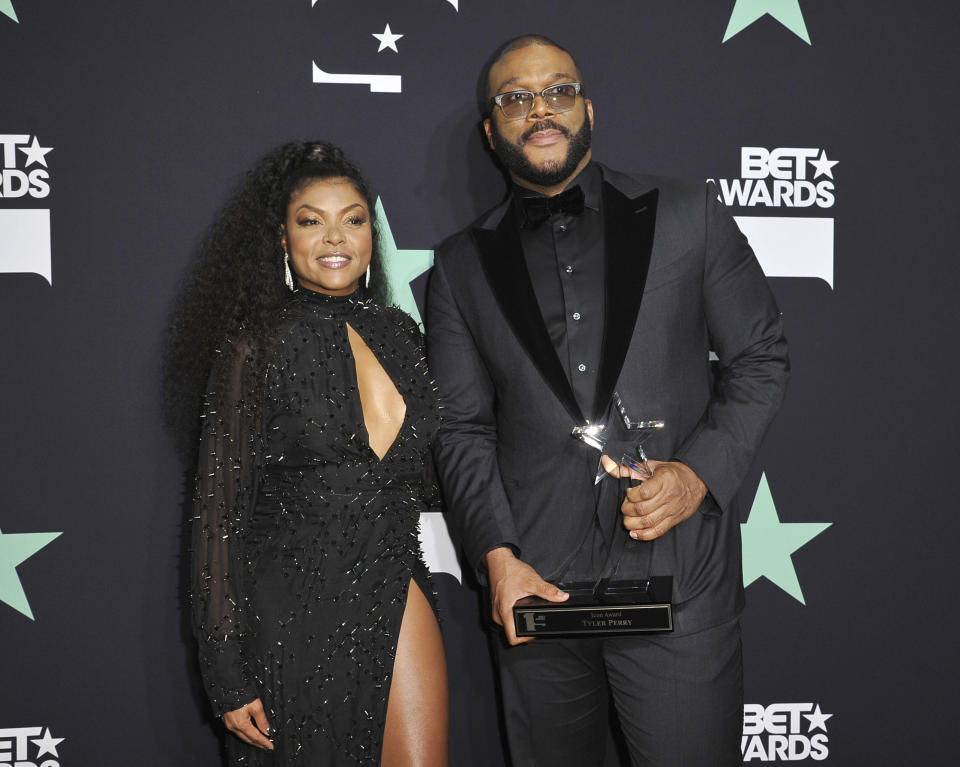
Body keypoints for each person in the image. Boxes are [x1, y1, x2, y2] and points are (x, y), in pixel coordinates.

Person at [426, 35, 789, 766]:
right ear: (490, 130)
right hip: (537, 597)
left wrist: (697, 476)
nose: (539, 110)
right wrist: (498, 557)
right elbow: (461, 427)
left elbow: (759, 356)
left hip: (679, 585)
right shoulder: (460, 266)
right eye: (515, 98)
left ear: (587, 106)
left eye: (557, 90)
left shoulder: (691, 215)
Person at [167, 141, 448, 765]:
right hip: (289, 605)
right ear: (282, 239)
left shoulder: (402, 335)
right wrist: (226, 669)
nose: (334, 237)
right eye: (310, 220)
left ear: (371, 234)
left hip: (394, 581)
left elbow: (432, 472)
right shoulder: (254, 348)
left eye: (352, 218)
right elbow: (218, 516)